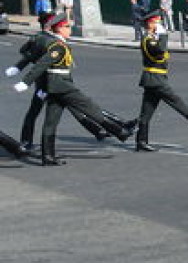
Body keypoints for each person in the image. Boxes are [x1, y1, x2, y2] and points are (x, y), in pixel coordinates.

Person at [12, 15, 135, 165]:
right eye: (67, 27)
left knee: (51, 121)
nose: (69, 29)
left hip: (56, 86)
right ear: (59, 28)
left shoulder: (59, 44)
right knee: (89, 106)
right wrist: (26, 82)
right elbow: (42, 64)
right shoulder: (57, 46)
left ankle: (48, 157)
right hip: (61, 86)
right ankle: (120, 132)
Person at [133, 9, 188, 151]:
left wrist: (160, 35)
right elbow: (161, 49)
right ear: (151, 23)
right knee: (178, 103)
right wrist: (163, 35)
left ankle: (141, 141)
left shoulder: (152, 38)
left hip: (154, 80)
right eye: (157, 22)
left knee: (146, 112)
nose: (159, 24)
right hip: (156, 80)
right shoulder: (148, 40)